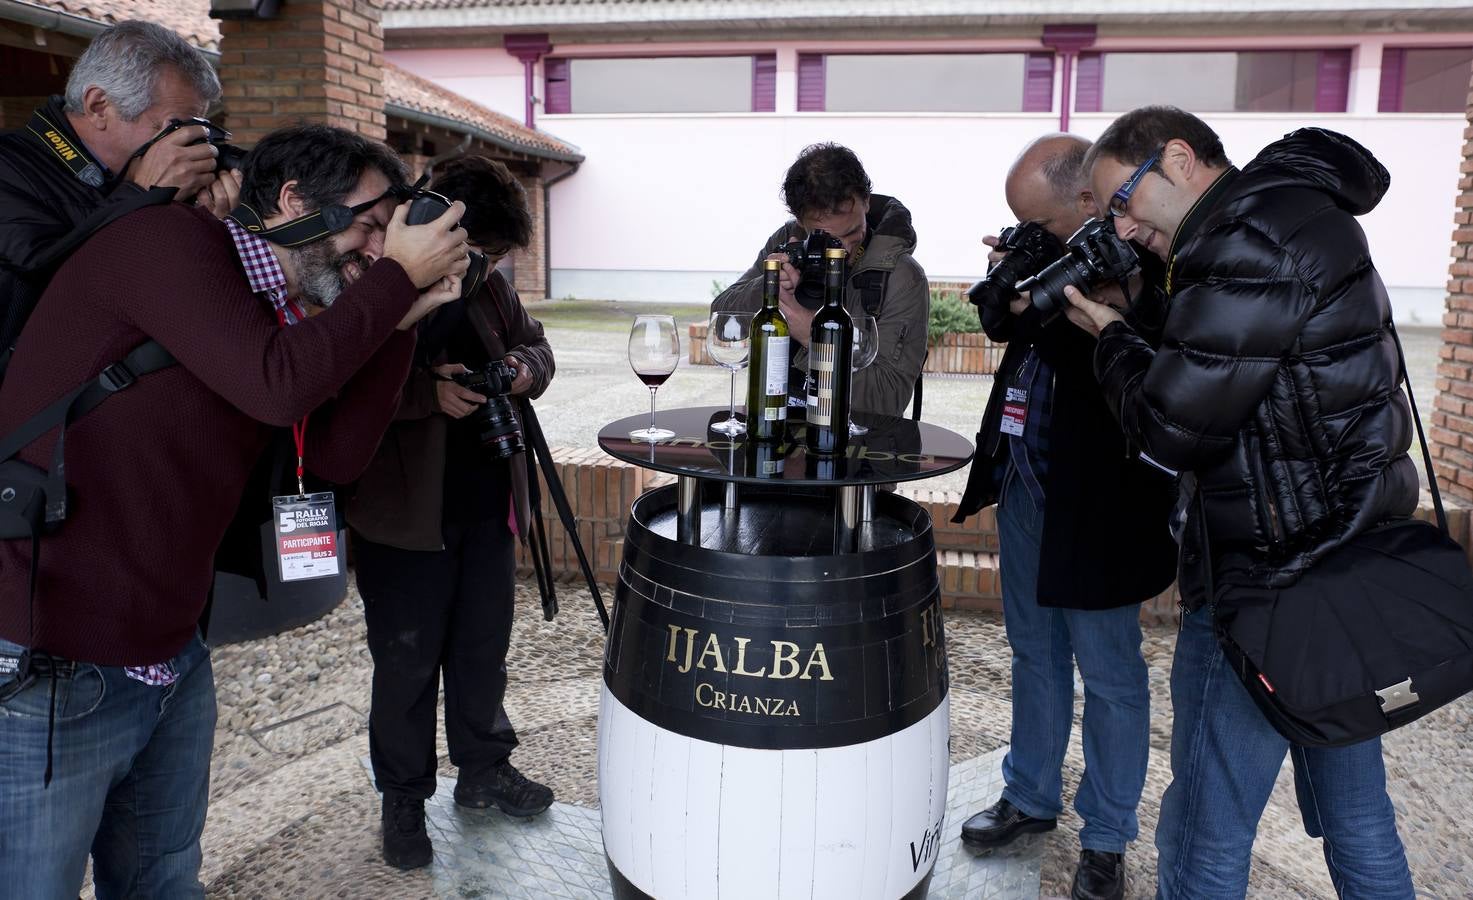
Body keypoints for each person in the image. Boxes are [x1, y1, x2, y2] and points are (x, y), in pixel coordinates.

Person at [0, 123, 469, 898]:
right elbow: (276, 384)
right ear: (291, 201)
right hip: (56, 658)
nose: (378, 248)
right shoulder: (169, 246)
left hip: (171, 653)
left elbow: (332, 457)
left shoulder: (276, 316)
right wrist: (391, 282)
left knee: (164, 883)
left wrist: (396, 320)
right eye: (368, 222)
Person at [1066, 106, 1418, 898]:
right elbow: (1250, 377)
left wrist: (1110, 333)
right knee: (1358, 816)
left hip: (1273, 580)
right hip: (1346, 561)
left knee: (1203, 834)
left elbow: (1168, 429)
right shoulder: (1292, 217)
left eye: (1120, 200)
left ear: (1179, 159)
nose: (1119, 229)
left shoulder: (1245, 240)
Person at [955, 134, 1178, 900]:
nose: (1036, 237)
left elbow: (1155, 378)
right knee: (1033, 654)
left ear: (1089, 203)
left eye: (1041, 225)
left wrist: (1100, 304)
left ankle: (1107, 837)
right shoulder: (1049, 250)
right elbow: (1006, 328)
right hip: (1025, 482)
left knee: (1110, 676)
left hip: (1103, 506)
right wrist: (1013, 276)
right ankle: (1029, 796)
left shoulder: (1148, 265)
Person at [345, 155, 557, 870]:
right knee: (405, 666)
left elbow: (537, 346)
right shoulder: (376, 283)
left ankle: (483, 770)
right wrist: (423, 397)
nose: (487, 265)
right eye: (481, 252)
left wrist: (522, 371)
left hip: (486, 500)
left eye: (494, 256)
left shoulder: (490, 287)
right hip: (404, 514)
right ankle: (402, 799)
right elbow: (336, 385)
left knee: (480, 652)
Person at [0, 20, 240, 355]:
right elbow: (53, 282)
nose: (184, 145)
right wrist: (142, 196)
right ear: (99, 106)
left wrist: (204, 231)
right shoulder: (9, 166)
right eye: (173, 127)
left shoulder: (130, 177)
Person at [711, 142, 929, 416]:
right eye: (829, 240)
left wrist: (815, 338)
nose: (845, 250)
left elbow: (886, 400)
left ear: (867, 201)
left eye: (853, 233)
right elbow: (722, 325)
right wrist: (766, 288)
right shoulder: (786, 242)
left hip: (855, 447)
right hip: (772, 431)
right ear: (800, 220)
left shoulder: (901, 276)